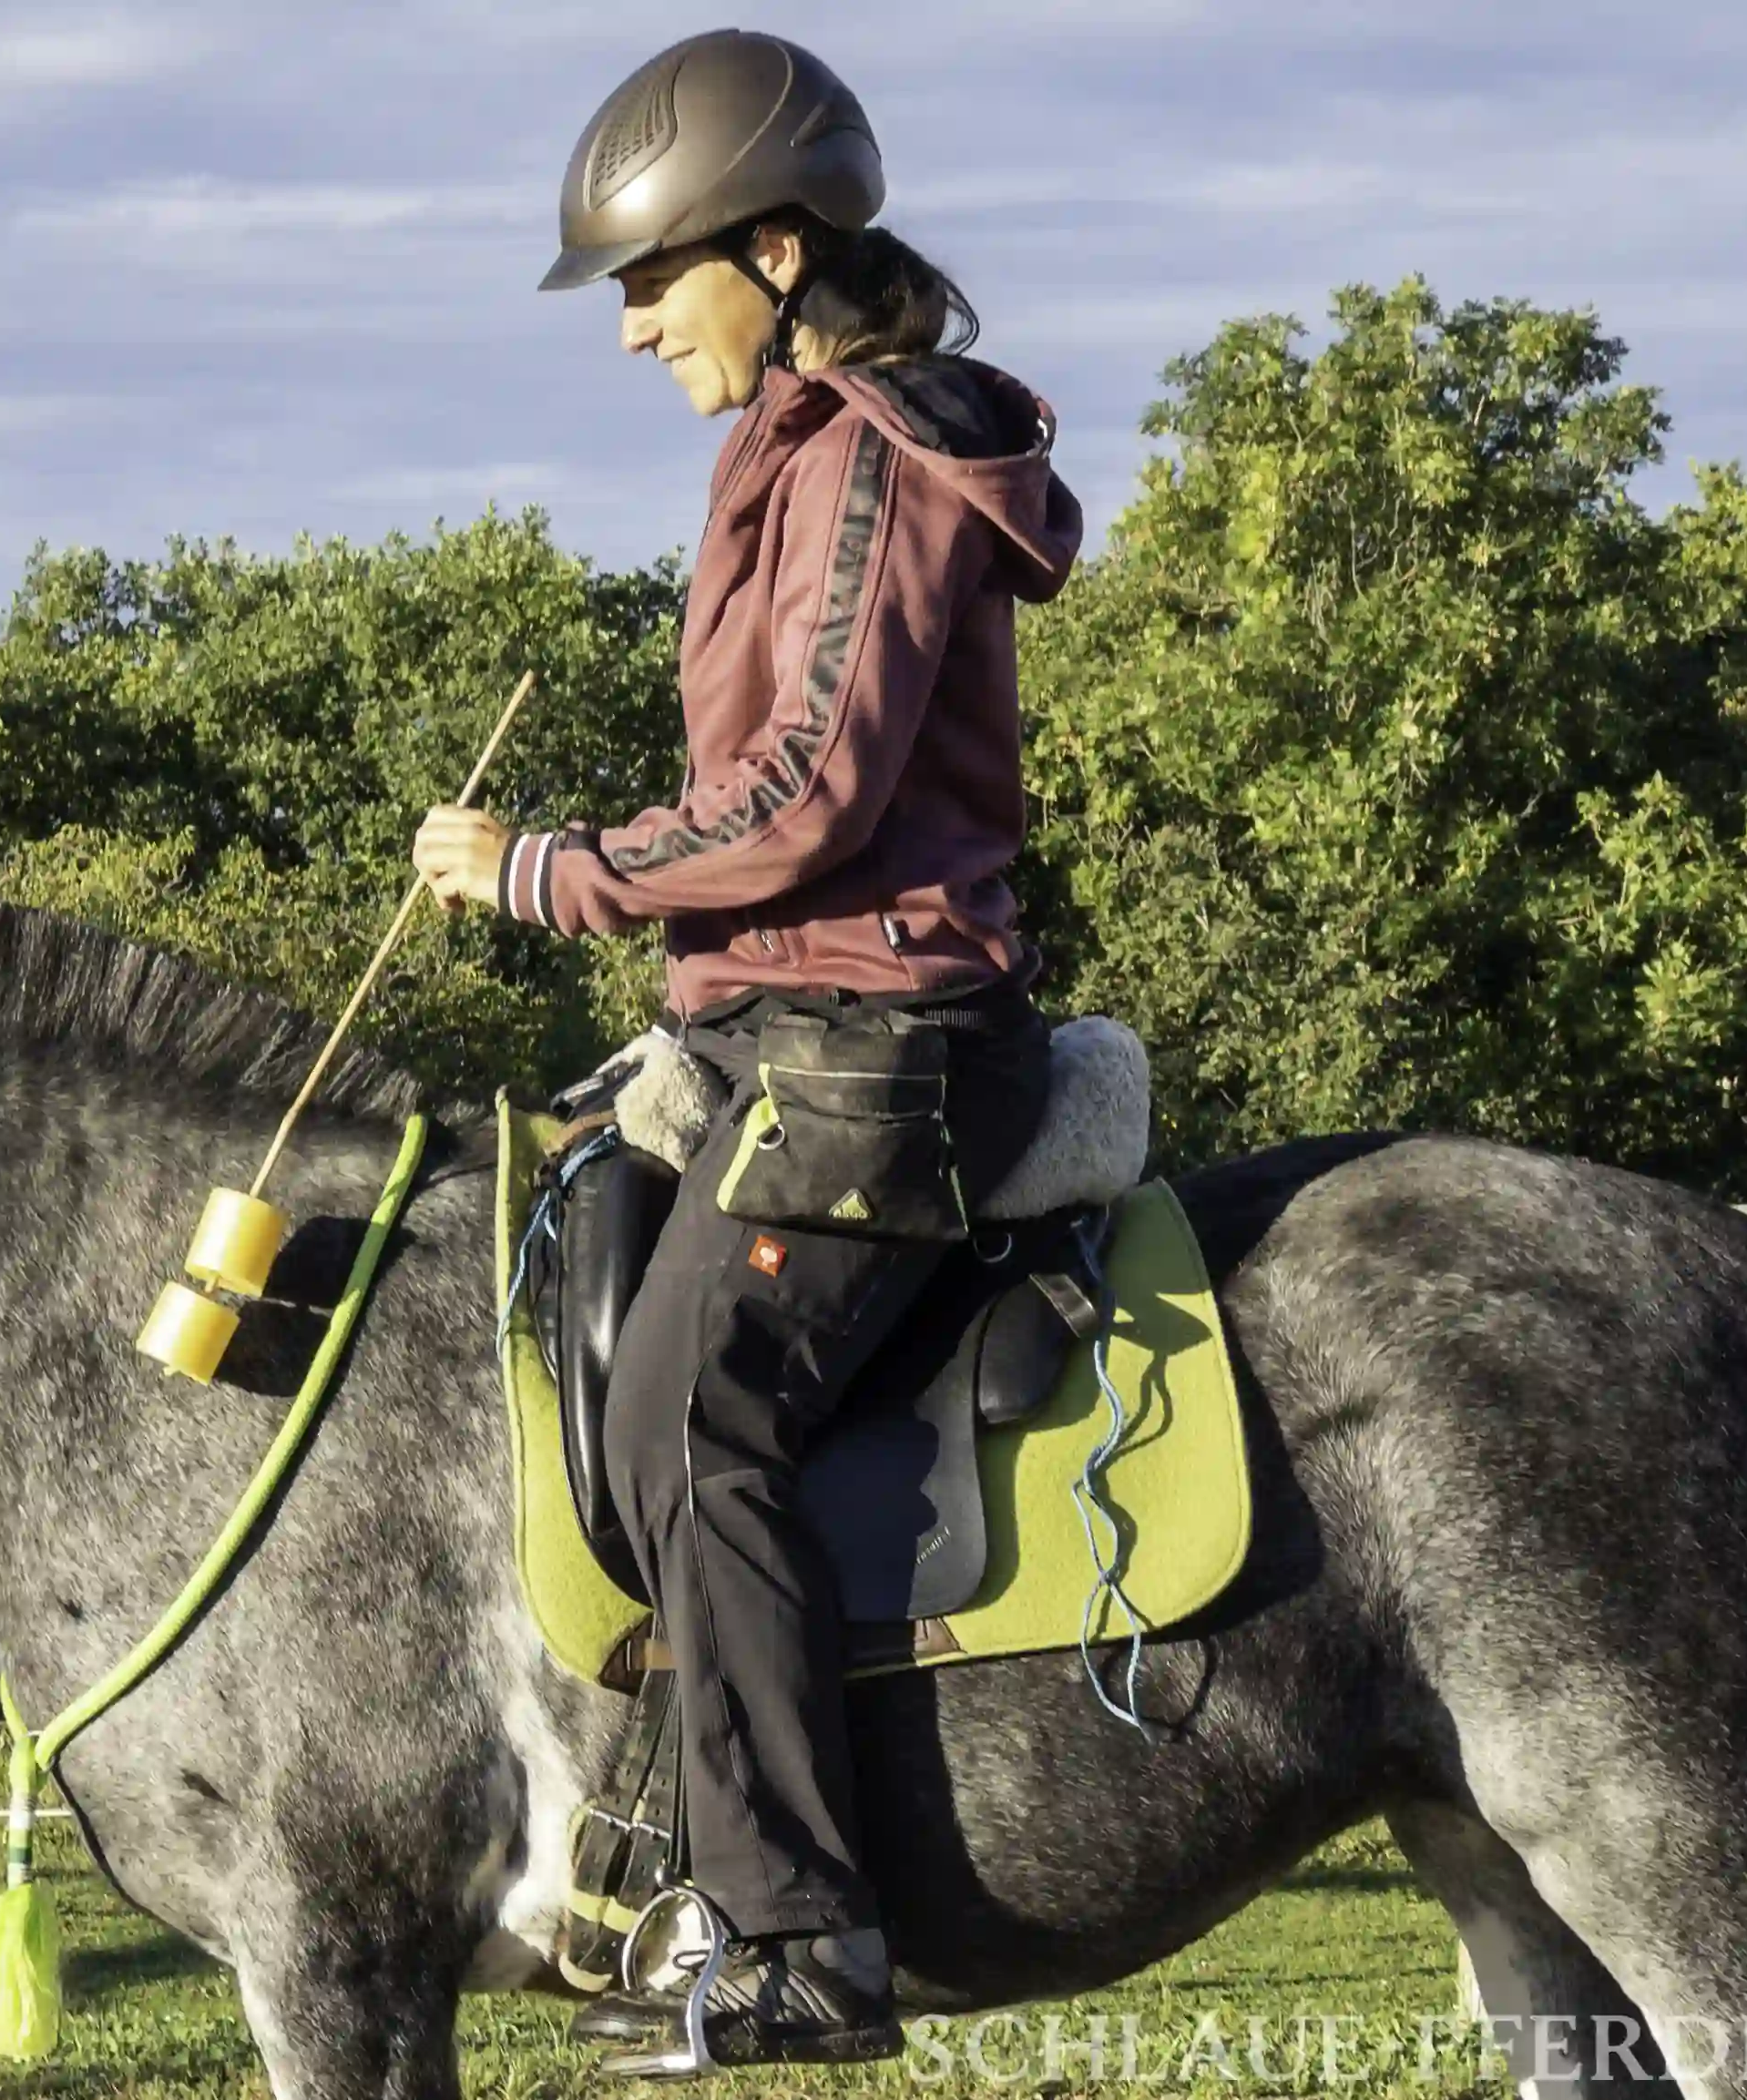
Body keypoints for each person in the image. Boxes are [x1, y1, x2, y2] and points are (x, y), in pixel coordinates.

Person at [411, 27, 1084, 2071]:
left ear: (775, 249)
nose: (629, 333)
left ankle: (800, 1941)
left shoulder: (871, 454)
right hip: (780, 1018)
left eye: (649, 281)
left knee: (698, 1418)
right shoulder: (780, 449)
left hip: (883, 1046)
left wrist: (549, 873)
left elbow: (806, 793)